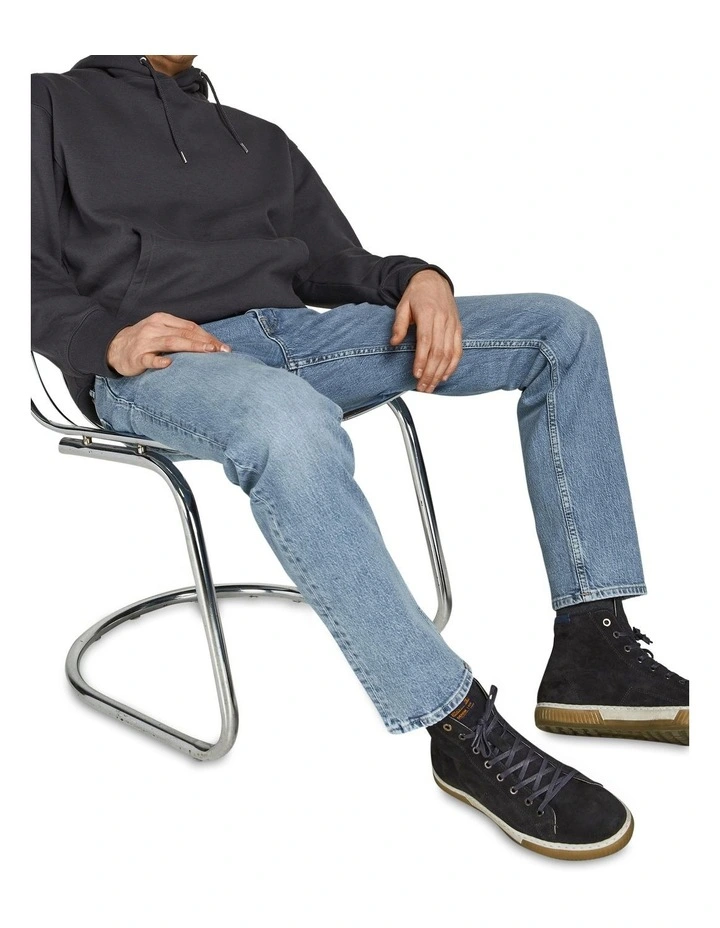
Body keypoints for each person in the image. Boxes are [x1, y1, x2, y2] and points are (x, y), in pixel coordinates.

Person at [31, 54, 689, 860]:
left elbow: (328, 262)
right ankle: (456, 723)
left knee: (560, 329)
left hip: (299, 334)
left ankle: (592, 646)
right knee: (288, 419)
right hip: (158, 365)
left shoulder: (255, 135)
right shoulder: (45, 107)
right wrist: (105, 338)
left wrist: (418, 277)